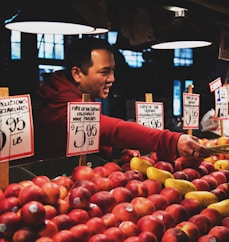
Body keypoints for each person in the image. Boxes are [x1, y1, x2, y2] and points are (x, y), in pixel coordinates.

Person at [33, 37, 210, 162]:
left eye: (113, 70)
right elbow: (111, 129)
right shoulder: (59, 104)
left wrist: (118, 150)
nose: (112, 78)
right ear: (77, 73)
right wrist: (170, 141)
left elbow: (96, 136)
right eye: (104, 72)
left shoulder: (78, 97)